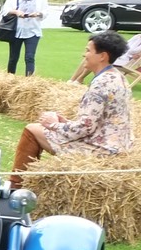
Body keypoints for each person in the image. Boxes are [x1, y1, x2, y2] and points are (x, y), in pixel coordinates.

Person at [11, 31, 134, 187]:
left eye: (88, 50)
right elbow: (99, 122)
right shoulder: (118, 77)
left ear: (102, 56)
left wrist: (54, 124)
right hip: (117, 145)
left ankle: (15, 187)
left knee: (32, 130)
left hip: (100, 151)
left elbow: (85, 128)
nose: (84, 55)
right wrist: (65, 122)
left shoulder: (101, 84)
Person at [4, 0, 47, 75]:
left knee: (30, 57)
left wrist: (37, 14)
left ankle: (29, 81)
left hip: (32, 30)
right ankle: (10, 78)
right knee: (13, 58)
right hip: (16, 30)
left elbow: (45, 11)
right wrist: (16, 12)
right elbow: (5, 10)